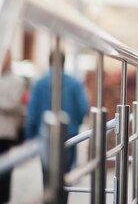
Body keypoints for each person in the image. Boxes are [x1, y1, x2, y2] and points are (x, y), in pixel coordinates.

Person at [26, 50, 89, 204]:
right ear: (64, 62)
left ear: (49, 62)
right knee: (65, 176)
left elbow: (32, 113)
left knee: (48, 177)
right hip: (70, 135)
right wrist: (76, 124)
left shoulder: (40, 83)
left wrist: (31, 137)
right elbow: (83, 108)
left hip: (45, 136)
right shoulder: (74, 83)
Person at [0, 51, 26, 204]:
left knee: (5, 166)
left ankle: (3, 197)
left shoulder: (17, 81)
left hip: (6, 132)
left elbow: (12, 103)